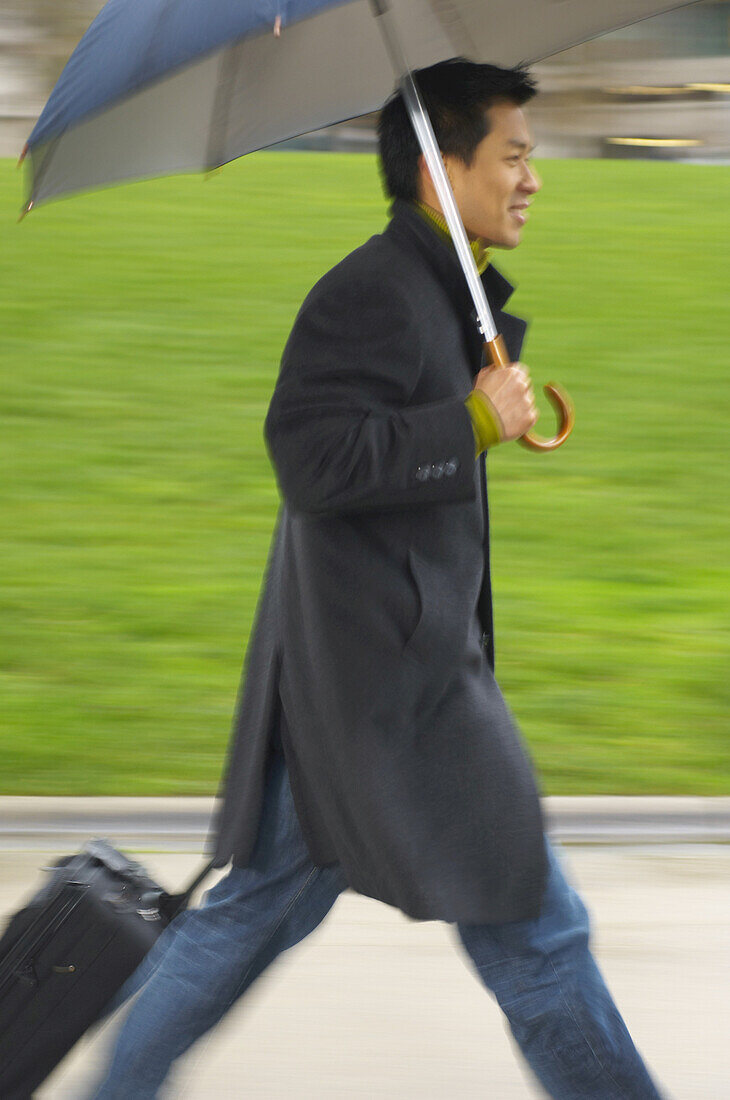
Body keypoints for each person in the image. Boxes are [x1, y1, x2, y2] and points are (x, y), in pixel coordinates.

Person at [91, 60, 663, 1098]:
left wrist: (480, 409)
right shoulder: (367, 292)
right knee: (540, 931)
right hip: (392, 698)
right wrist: (470, 424)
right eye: (514, 155)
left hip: (364, 693)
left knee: (254, 914)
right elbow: (308, 459)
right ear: (443, 169)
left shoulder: (436, 289)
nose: (532, 177)